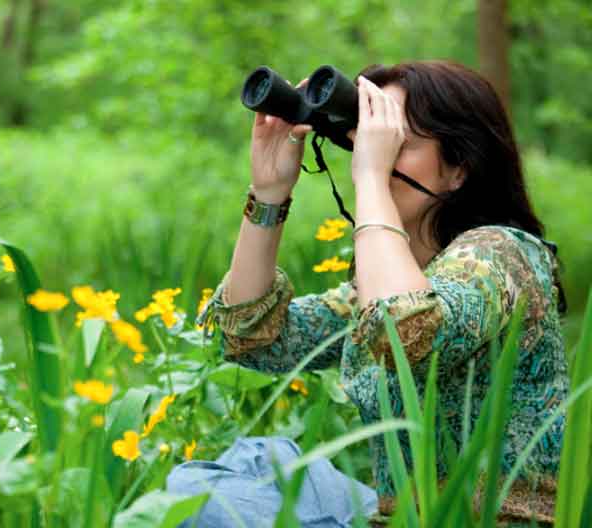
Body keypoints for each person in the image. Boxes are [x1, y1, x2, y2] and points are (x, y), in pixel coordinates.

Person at [166, 61, 569, 527]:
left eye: (397, 143)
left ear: (458, 169)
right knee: (254, 460)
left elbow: (405, 328)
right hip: (395, 515)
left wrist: (372, 179)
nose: (368, 155)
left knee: (207, 501)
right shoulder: (394, 279)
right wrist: (269, 191)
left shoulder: (503, 255)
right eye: (368, 141)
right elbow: (251, 337)